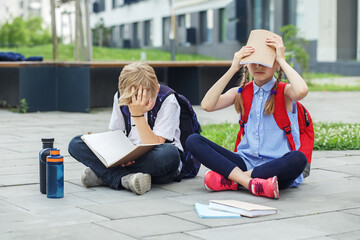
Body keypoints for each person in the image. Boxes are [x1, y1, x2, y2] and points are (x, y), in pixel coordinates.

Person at [186, 33, 308, 199]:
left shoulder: (284, 91)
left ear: (276, 64)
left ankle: (235, 180)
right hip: (244, 161)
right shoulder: (241, 92)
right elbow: (207, 105)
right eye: (253, 62)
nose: (258, 66)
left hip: (276, 167)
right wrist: (232, 68)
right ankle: (250, 183)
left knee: (298, 159)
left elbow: (301, 91)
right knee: (193, 140)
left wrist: (282, 60)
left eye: (265, 62)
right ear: (246, 64)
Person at [68, 62, 183, 195]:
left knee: (169, 154)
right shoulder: (120, 97)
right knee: (76, 143)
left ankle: (106, 175)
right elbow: (116, 134)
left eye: (145, 102)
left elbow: (156, 143)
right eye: (131, 102)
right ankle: (125, 179)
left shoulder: (168, 100)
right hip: (127, 154)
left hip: (155, 160)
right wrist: (117, 155)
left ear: (156, 90)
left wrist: (137, 114)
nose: (138, 104)